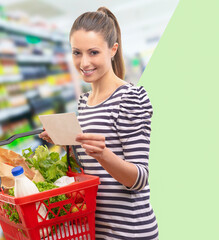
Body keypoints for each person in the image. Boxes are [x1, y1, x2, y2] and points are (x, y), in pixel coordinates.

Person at [40, 7, 158, 240]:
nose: (84, 62)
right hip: (96, 229)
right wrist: (67, 144)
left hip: (130, 232)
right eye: (77, 52)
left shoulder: (130, 98)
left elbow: (139, 179)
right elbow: (90, 172)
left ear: (112, 50)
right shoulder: (84, 102)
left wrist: (103, 155)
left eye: (93, 52)